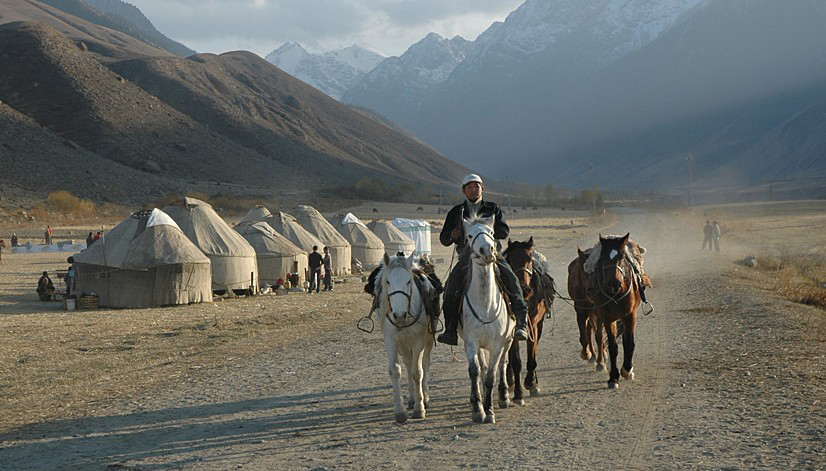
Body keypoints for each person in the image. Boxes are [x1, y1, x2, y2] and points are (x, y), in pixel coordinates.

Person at [437, 174, 529, 346]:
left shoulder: (492, 208)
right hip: (467, 257)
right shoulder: (456, 212)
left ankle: (521, 325)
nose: (474, 189)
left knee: (513, 281)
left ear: (482, 189)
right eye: (470, 187)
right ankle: (450, 330)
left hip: (493, 255)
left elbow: (504, 232)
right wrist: (452, 235)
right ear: (464, 191)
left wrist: (488, 230)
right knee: (450, 288)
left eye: (477, 186)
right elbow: (443, 239)